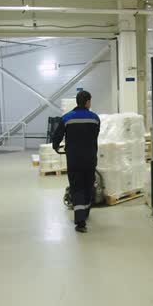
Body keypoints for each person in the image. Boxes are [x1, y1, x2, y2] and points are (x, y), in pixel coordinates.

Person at [52, 91, 100, 233]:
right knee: (88, 186)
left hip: (74, 160)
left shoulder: (66, 118)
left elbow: (57, 136)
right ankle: (85, 213)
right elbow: (95, 136)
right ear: (87, 102)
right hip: (90, 159)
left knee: (77, 187)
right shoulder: (95, 118)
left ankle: (80, 221)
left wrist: (56, 146)